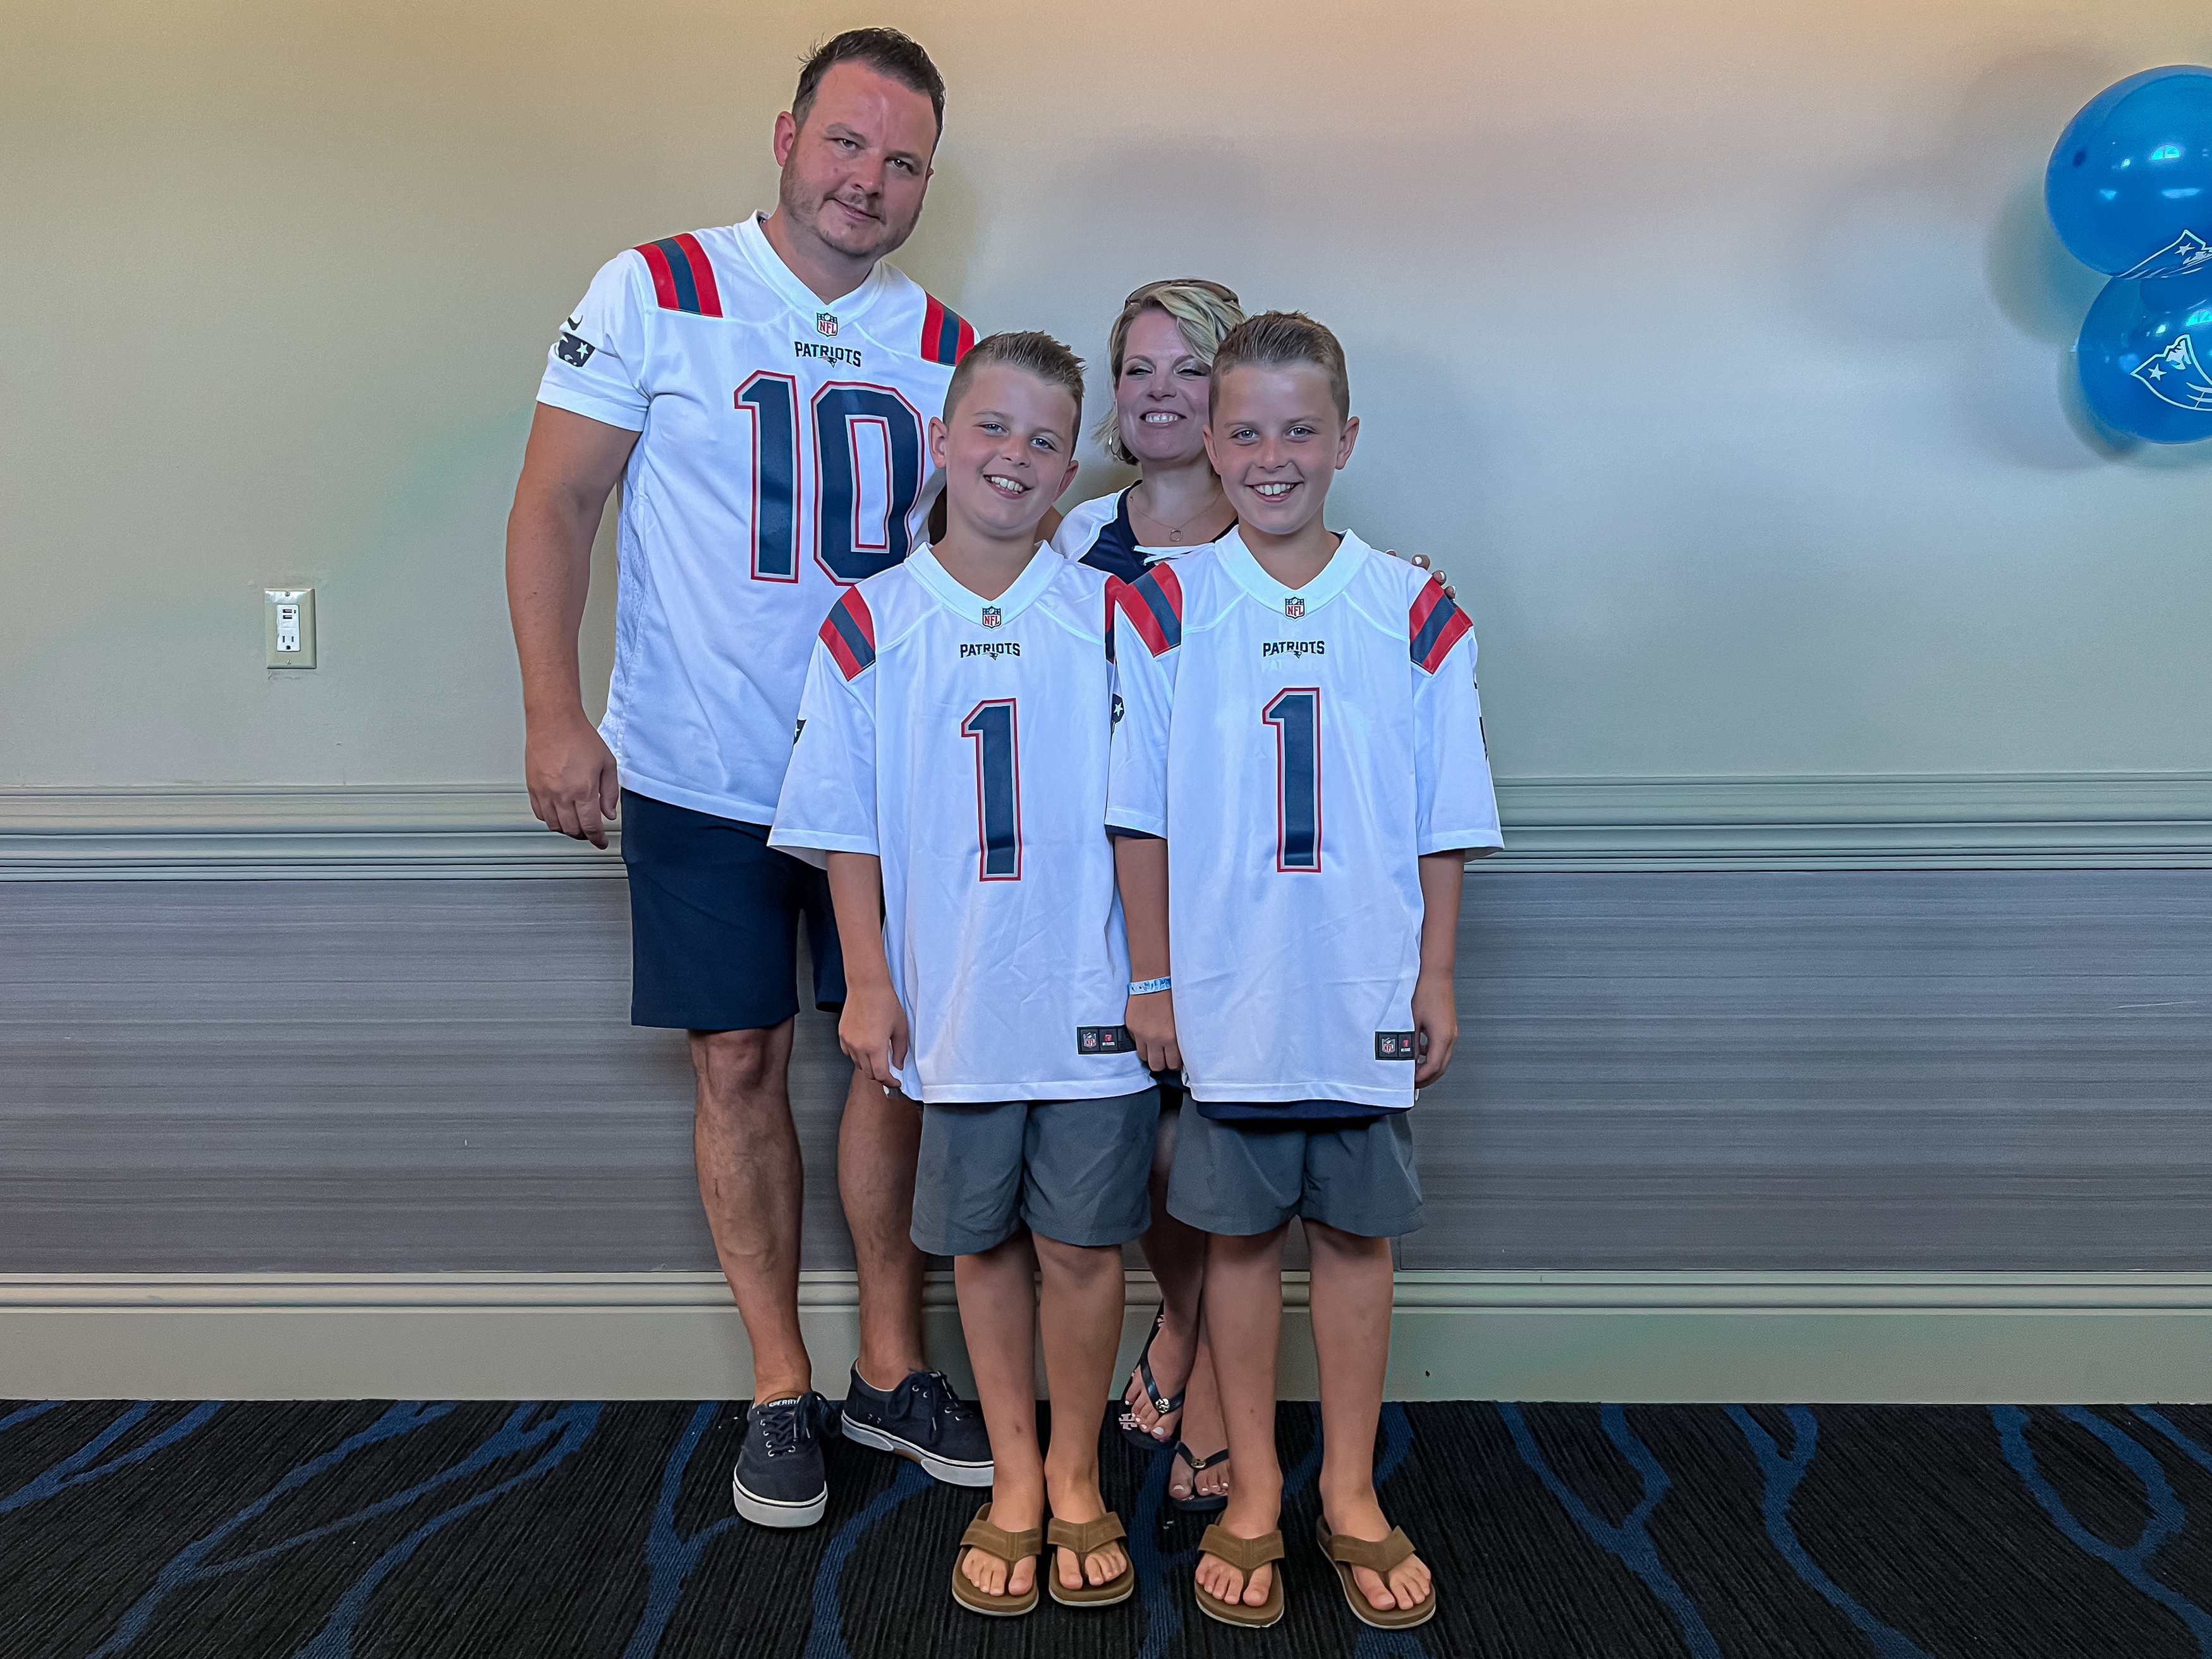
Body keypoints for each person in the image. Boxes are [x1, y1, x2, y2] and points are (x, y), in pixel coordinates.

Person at [504, 27, 991, 1529]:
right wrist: (552, 713)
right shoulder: (655, 288)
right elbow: (555, 503)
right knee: (738, 1062)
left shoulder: (947, 347)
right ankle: (781, 1382)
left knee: (890, 1056)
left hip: (884, 773)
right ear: (785, 136)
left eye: (902, 160)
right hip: (701, 760)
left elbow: (992, 553)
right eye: (848, 143)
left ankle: (889, 1364)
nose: (870, 180)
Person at [1107, 312, 1502, 1630]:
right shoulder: (1162, 603)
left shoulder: (1414, 605)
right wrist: (1153, 979)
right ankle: (1255, 1491)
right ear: (1208, 443)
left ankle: (1349, 1490)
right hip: (1228, 986)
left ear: (1343, 439)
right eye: (1246, 430)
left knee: (1353, 1233)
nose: (1271, 455)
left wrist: (1434, 972)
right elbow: (1137, 811)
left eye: (1298, 429)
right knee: (1232, 1236)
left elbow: (1444, 809)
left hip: (1358, 983)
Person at [772, 332, 1150, 1615]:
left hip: (1091, 995)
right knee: (980, 1244)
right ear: (941, 440)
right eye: (993, 428)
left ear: (1068, 474)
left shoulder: (1113, 612)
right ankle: (1014, 1478)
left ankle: (1079, 1470)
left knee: (1086, 1246)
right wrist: (867, 980)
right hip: (957, 994)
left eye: (1047, 442)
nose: (1016, 458)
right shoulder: (871, 617)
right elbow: (844, 823)